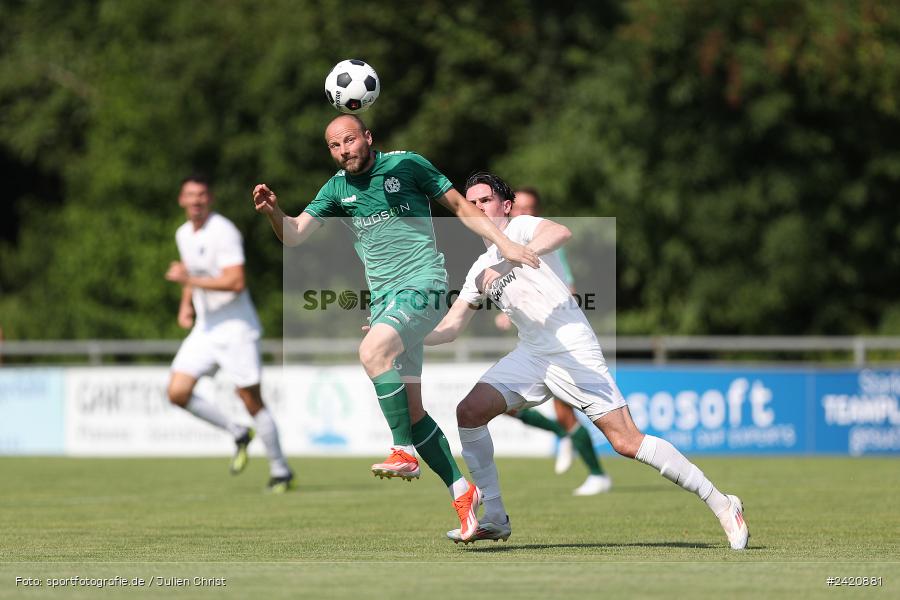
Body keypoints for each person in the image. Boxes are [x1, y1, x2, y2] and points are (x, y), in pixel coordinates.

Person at [425, 172, 749, 550]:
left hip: (570, 346)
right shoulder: (479, 270)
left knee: (627, 442)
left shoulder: (523, 227)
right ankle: (495, 517)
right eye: (472, 203)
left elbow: (560, 233)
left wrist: (513, 257)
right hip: (531, 354)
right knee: (469, 411)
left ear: (506, 206)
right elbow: (451, 326)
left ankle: (723, 503)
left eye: (486, 201)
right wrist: (408, 338)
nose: (479, 208)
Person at [251, 115, 539, 515]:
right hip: (386, 301)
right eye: (334, 146)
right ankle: (464, 494)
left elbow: (458, 205)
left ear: (368, 137)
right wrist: (273, 212)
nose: (343, 151)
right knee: (413, 413)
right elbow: (296, 234)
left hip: (423, 285)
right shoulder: (337, 188)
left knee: (371, 353)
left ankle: (401, 451)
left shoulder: (407, 165)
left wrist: (504, 243)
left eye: (349, 141)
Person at [165, 174, 294, 493]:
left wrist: (189, 283)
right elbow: (190, 271)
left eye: (202, 194)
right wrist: (187, 305)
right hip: (206, 329)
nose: (196, 200)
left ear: (210, 199)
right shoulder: (183, 233)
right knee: (177, 392)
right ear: (182, 200)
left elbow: (236, 282)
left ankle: (280, 470)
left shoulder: (224, 231)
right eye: (190, 195)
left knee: (251, 400)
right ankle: (237, 431)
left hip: (236, 329)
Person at [493, 186, 611, 496]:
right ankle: (566, 437)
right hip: (533, 341)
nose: (523, 213)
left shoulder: (546, 245)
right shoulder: (505, 247)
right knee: (506, 405)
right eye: (518, 208)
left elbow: (567, 287)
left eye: (529, 208)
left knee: (572, 412)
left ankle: (597, 474)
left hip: (559, 339)